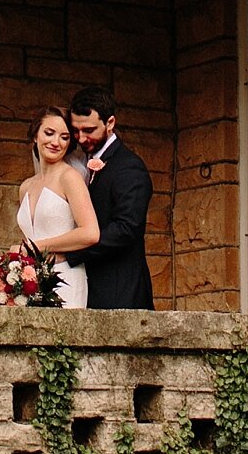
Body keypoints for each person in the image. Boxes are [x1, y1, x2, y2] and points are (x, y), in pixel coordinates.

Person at [67, 87, 154, 311]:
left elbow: (125, 229)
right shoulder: (76, 164)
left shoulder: (129, 167)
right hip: (82, 288)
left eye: (89, 130)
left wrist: (71, 251)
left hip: (119, 293)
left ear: (110, 123)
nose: (81, 138)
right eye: (76, 131)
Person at [16, 108, 101, 306]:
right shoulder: (26, 186)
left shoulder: (69, 177)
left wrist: (36, 247)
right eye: (49, 133)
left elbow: (90, 233)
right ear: (35, 135)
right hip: (33, 282)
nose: (56, 142)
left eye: (64, 137)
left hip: (66, 280)